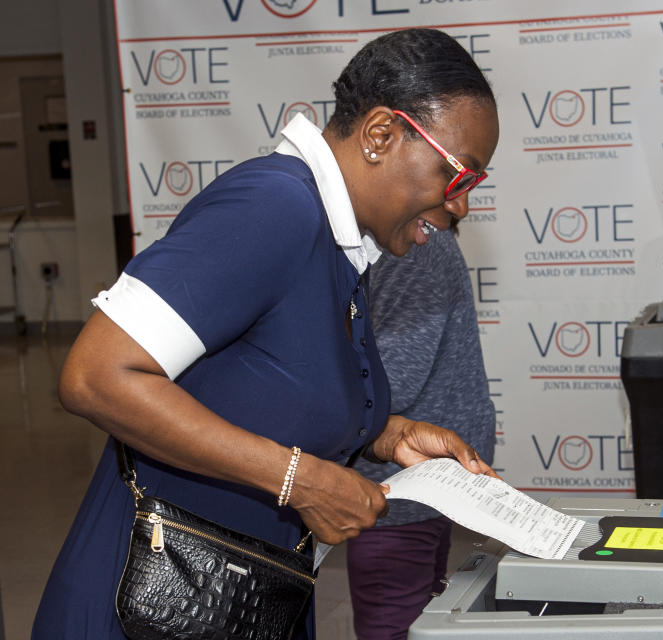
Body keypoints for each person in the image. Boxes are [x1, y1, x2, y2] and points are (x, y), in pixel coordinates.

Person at [32, 28, 499, 640]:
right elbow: (95, 377)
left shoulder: (344, 244)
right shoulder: (273, 208)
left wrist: (389, 436)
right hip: (150, 602)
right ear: (381, 135)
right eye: (457, 176)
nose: (460, 207)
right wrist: (300, 480)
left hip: (242, 598)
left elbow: (261, 390)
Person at [347, 217, 496, 640]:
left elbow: (391, 382)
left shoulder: (409, 247)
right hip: (429, 468)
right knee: (425, 613)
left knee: (393, 622)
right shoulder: (418, 241)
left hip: (405, 478)